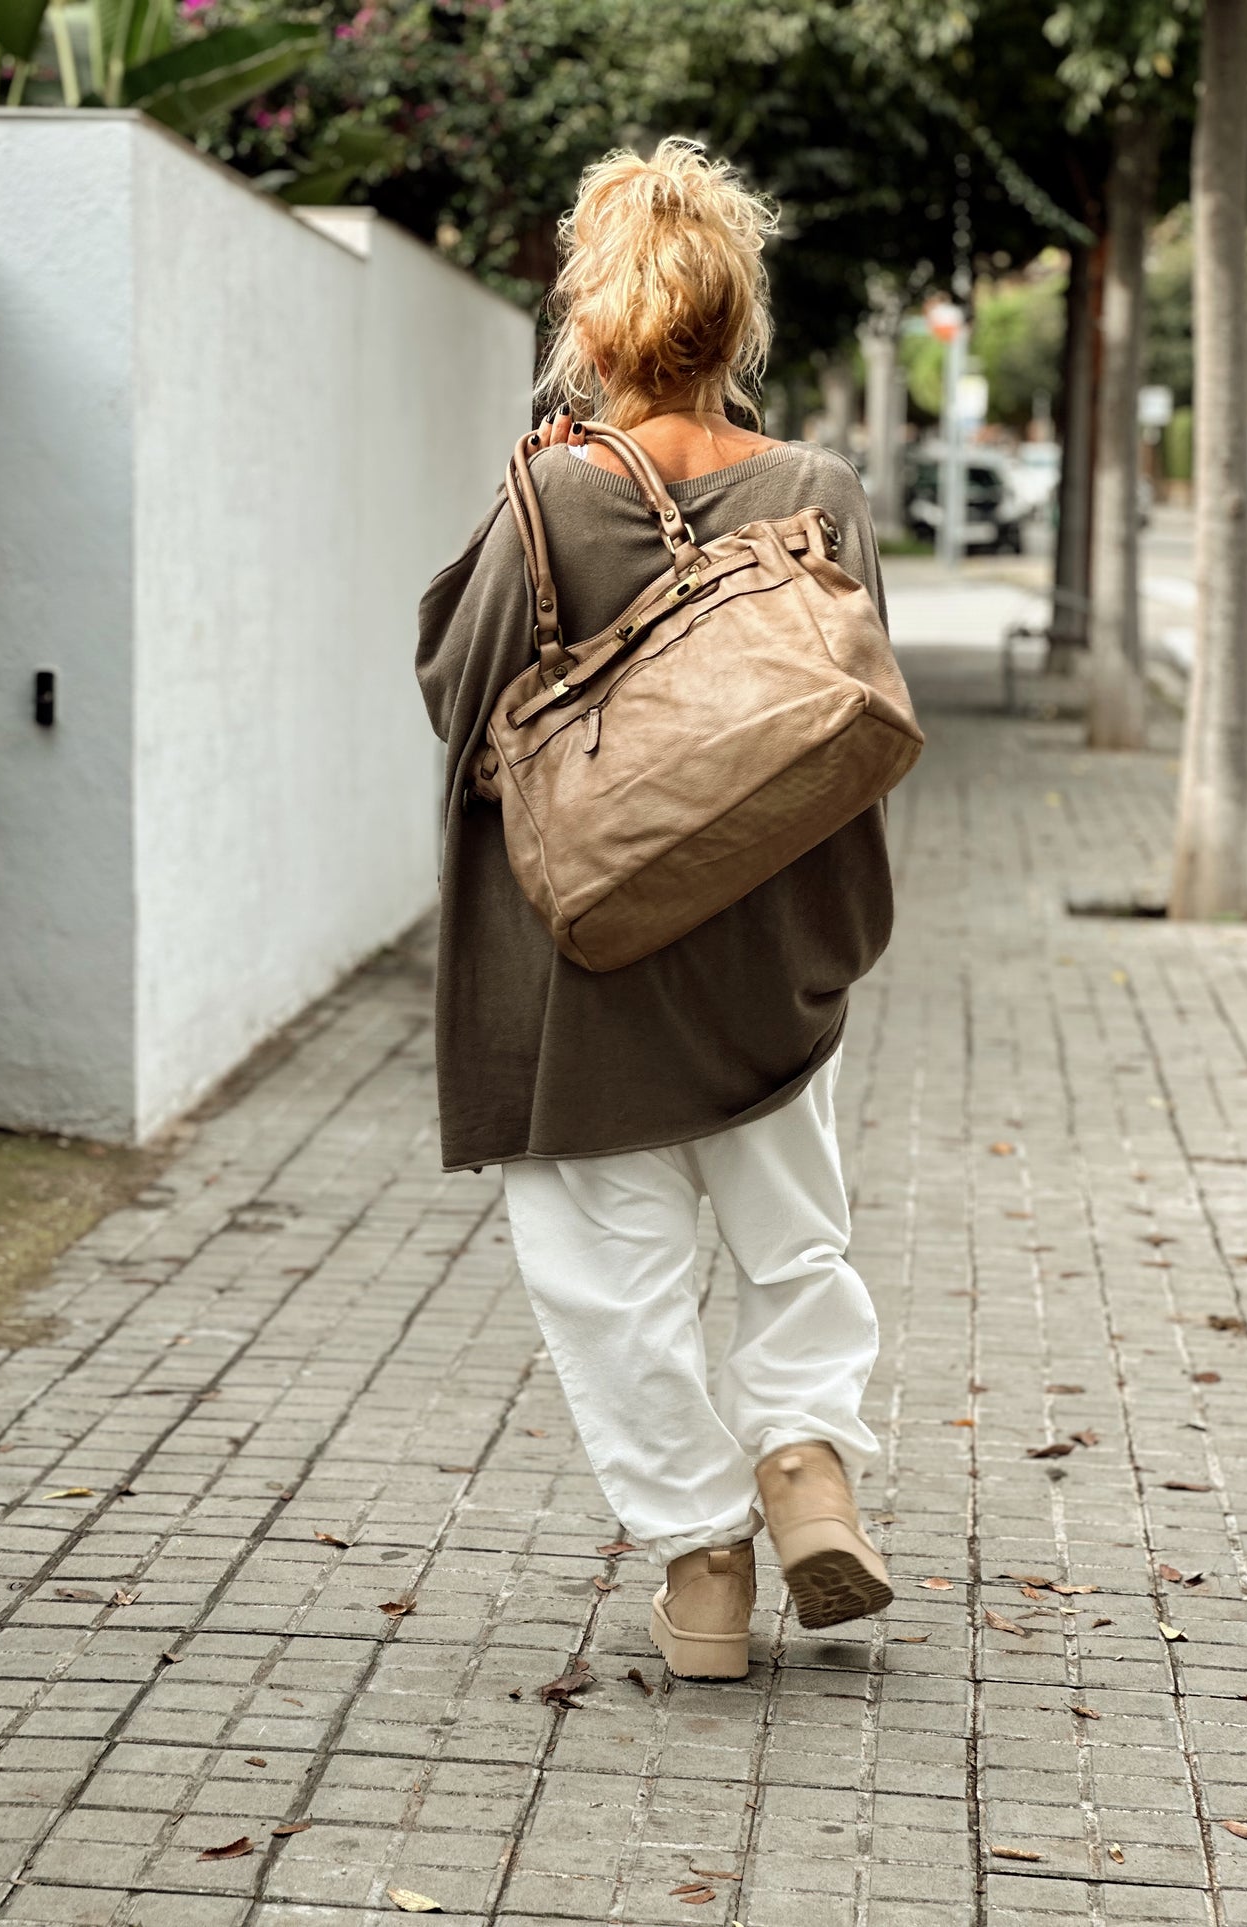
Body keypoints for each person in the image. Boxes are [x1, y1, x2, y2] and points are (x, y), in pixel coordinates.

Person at [416, 137, 896, 1681]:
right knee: (791, 1241)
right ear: (733, 321)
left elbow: (457, 693)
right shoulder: (816, 490)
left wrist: (545, 493)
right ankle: (808, 1466)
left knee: (608, 1289)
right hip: (761, 954)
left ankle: (700, 1568)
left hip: (583, 976)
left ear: (594, 328)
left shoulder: (555, 492)